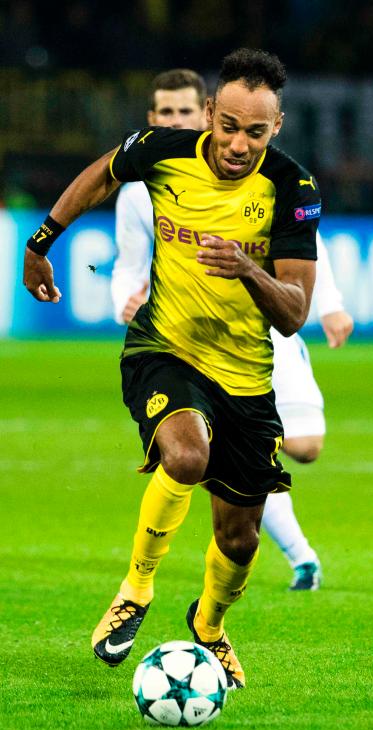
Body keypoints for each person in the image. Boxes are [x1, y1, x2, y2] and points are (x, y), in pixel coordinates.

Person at [23, 48, 322, 690]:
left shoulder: (293, 191)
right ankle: (136, 588)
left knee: (240, 541)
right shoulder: (164, 151)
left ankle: (209, 627)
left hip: (246, 377)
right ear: (209, 113)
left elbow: (296, 313)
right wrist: (42, 242)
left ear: (278, 127)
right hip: (164, 349)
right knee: (185, 458)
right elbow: (102, 174)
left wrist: (248, 269)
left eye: (257, 132)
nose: (239, 144)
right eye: (229, 125)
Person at [112, 68, 354, 591]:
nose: (176, 120)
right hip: (187, 337)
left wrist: (329, 303)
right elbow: (128, 265)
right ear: (157, 121)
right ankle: (300, 556)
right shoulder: (141, 188)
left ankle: (235, 453)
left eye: (184, 110)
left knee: (306, 446)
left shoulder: (280, 181)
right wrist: (124, 300)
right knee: (195, 448)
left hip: (262, 336)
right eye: (167, 114)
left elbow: (307, 253)